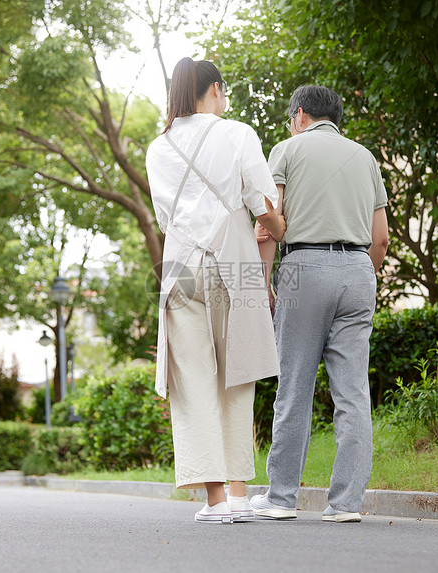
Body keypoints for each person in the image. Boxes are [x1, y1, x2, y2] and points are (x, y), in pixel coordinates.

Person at [145, 57, 286, 524]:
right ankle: (242, 494)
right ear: (216, 91)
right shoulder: (237, 133)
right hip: (234, 260)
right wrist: (276, 227)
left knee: (194, 381)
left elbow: (166, 219)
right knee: (237, 371)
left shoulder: (157, 148)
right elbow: (261, 202)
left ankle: (216, 499)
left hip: (181, 265)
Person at [250, 85, 390, 523]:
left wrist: (265, 283)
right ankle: (346, 503)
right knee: (353, 393)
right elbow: (381, 237)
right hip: (358, 270)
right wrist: (359, 275)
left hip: (302, 267)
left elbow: (270, 221)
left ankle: (281, 498)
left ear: (300, 115)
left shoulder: (287, 150)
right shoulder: (365, 157)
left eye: (290, 117)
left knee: (294, 386)